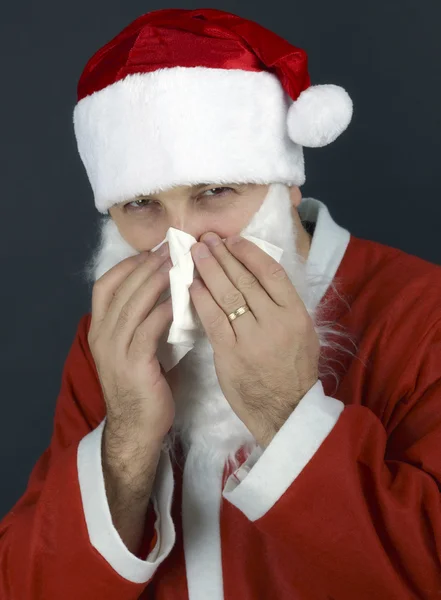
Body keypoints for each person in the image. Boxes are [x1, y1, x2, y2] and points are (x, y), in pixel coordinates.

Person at [1, 7, 440, 600]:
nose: (180, 237)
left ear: (286, 185)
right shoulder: (113, 340)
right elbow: (33, 585)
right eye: (141, 205)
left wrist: (284, 412)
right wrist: (127, 436)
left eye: (214, 191)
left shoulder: (423, 313)